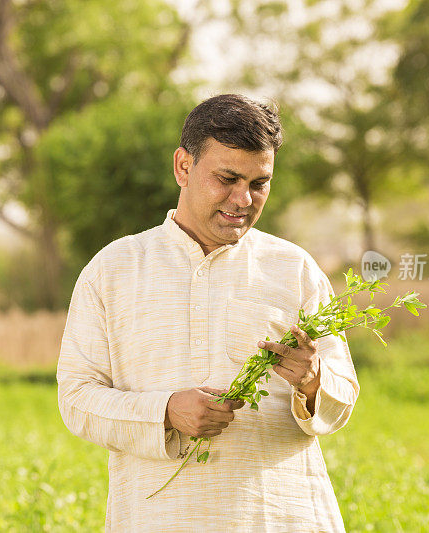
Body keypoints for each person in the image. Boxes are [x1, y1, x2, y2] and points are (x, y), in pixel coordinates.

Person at [57, 94, 360, 532]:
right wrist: (165, 411)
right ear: (183, 166)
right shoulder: (114, 269)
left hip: (283, 517)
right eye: (228, 178)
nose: (243, 199)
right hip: (159, 519)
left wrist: (313, 380)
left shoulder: (294, 268)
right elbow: (76, 399)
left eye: (259, 183)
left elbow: (343, 397)